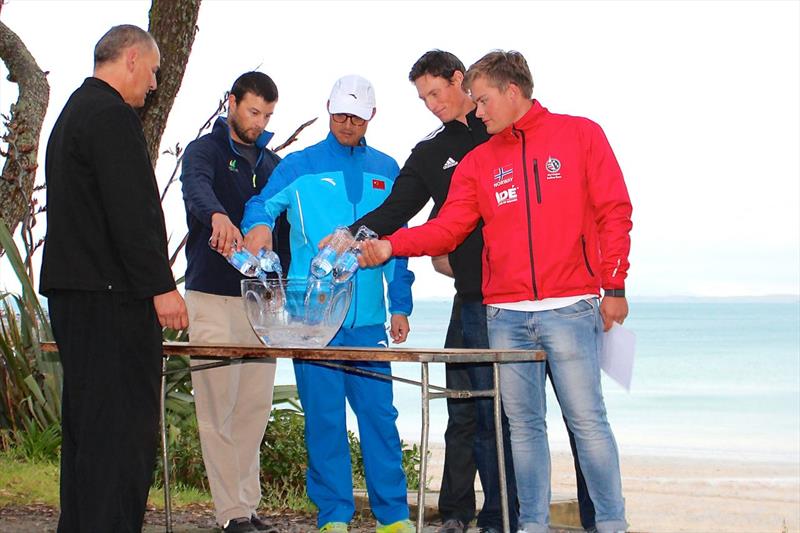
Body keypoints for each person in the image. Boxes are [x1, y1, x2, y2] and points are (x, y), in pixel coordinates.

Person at [358, 50, 631, 533]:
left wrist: (614, 284)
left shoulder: (580, 134)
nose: (477, 111)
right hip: (502, 315)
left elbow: (614, 210)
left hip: (570, 307)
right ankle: (531, 526)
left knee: (587, 425)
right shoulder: (479, 161)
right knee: (522, 432)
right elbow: (447, 228)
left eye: (483, 101)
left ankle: (611, 525)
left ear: (512, 91)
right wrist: (390, 245)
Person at [240, 75, 416, 533]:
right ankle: (333, 517)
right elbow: (260, 205)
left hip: (369, 323)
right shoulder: (300, 166)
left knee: (380, 417)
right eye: (339, 115)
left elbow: (397, 242)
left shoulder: (389, 168)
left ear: (371, 117)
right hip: (313, 323)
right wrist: (257, 225)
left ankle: (393, 517)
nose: (346, 124)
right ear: (328, 109)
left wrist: (400, 305)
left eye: (356, 118)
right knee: (324, 420)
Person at [39, 25, 189, 533]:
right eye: (150, 73)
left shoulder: (74, 114)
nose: (151, 86)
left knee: (89, 430)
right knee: (121, 434)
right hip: (112, 301)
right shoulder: (110, 116)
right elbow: (132, 214)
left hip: (77, 296)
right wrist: (162, 288)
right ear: (129, 59)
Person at [180, 71, 290, 533]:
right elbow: (196, 190)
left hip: (261, 305)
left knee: (252, 409)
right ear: (231, 102)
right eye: (252, 111)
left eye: (267, 114)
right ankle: (230, 514)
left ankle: (246, 506)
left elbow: (282, 226)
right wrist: (218, 216)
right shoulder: (203, 151)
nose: (259, 121)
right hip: (209, 296)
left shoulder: (273, 164)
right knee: (216, 408)